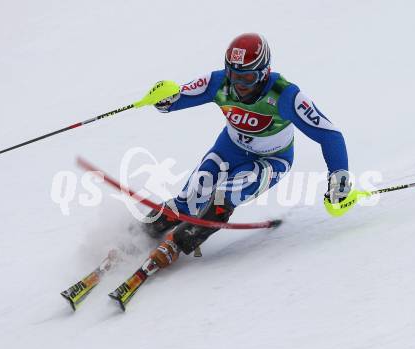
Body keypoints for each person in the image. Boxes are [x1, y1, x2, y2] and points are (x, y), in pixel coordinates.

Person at [139, 33, 352, 275]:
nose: (239, 84)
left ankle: (177, 245)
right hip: (229, 149)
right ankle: (139, 234)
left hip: (270, 160)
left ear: (263, 72)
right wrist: (164, 99)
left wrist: (339, 175)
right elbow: (177, 98)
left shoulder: (285, 95)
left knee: (223, 197)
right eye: (234, 75)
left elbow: (328, 134)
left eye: (247, 77)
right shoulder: (219, 82)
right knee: (191, 197)